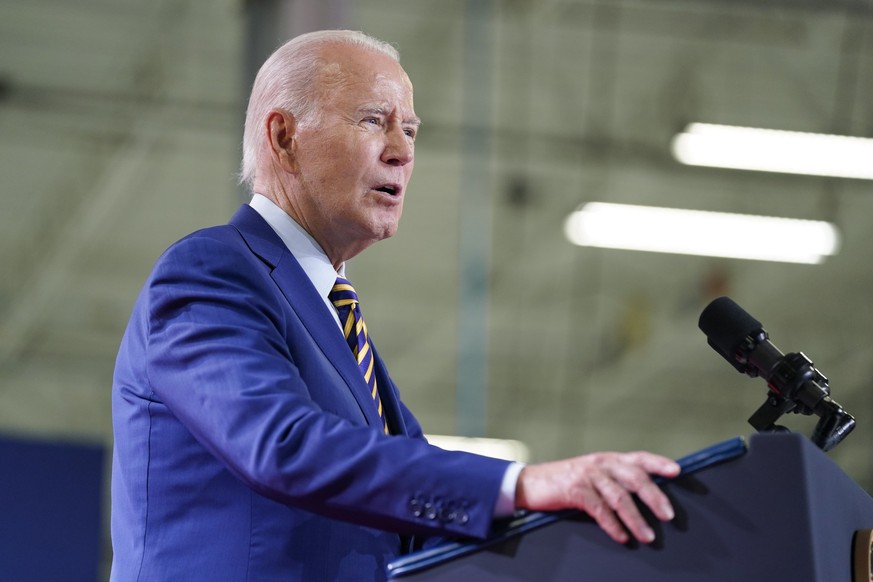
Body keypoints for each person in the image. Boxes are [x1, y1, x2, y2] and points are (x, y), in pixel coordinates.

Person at [110, 29, 680, 581]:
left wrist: (585, 522)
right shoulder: (210, 272)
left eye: (410, 130)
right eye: (373, 121)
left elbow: (415, 520)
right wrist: (523, 484)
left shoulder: (339, 323)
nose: (403, 151)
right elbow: (282, 443)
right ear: (283, 137)